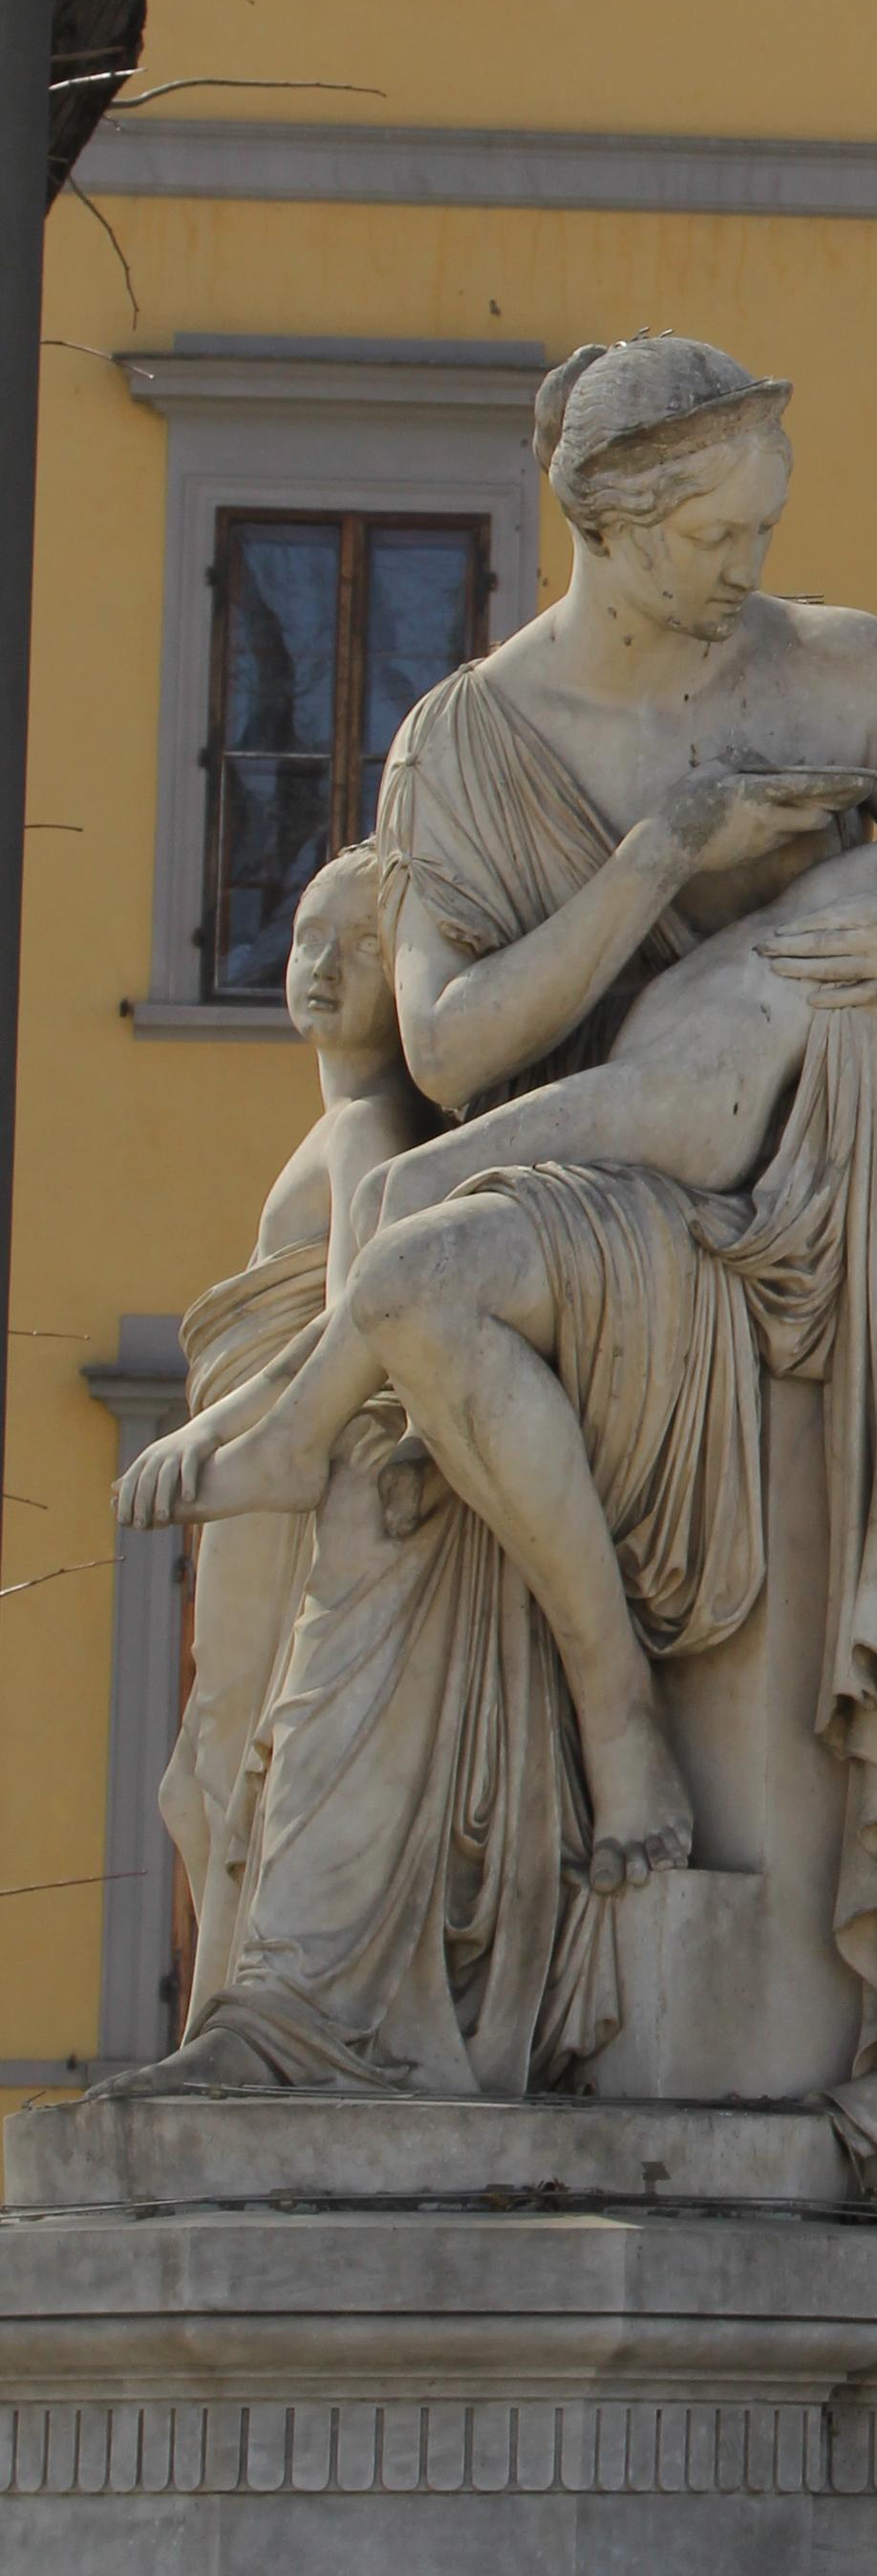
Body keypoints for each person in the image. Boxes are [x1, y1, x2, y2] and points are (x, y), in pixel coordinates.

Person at [104, 333, 877, 2157]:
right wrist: (659, 853)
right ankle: (336, 1984)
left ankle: (522, 1665)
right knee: (393, 1428)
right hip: (556, 1177)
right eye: (709, 535)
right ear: (603, 525)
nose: (745, 565)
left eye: (762, 524)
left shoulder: (846, 669)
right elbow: (453, 1049)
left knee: (408, 1301)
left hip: (770, 1224)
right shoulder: (470, 735)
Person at [126, 680, 877, 1544]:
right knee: (399, 1192)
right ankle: (358, 1428)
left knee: (413, 1185)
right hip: (679, 1083)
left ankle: (292, 1437)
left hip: (692, 1093)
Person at [151, 845, 433, 2015]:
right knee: (211, 1755)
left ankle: (233, 2001)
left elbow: (349, 1318)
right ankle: (221, 1998)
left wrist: (212, 1429)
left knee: (230, 1746)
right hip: (258, 1469)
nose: (323, 965)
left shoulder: (369, 1126)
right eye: (310, 935)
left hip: (281, 1478)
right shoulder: (336, 1127)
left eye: (362, 947)